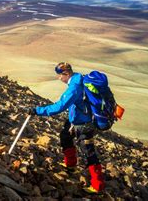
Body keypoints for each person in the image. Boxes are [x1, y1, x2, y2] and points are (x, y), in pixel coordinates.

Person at [28, 62, 105, 194]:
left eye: (60, 76)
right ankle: (71, 165)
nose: (59, 78)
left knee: (88, 152)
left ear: (66, 74)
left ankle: (98, 186)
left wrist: (37, 111)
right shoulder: (77, 78)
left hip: (83, 124)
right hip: (76, 120)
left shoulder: (74, 87)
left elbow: (59, 107)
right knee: (65, 136)